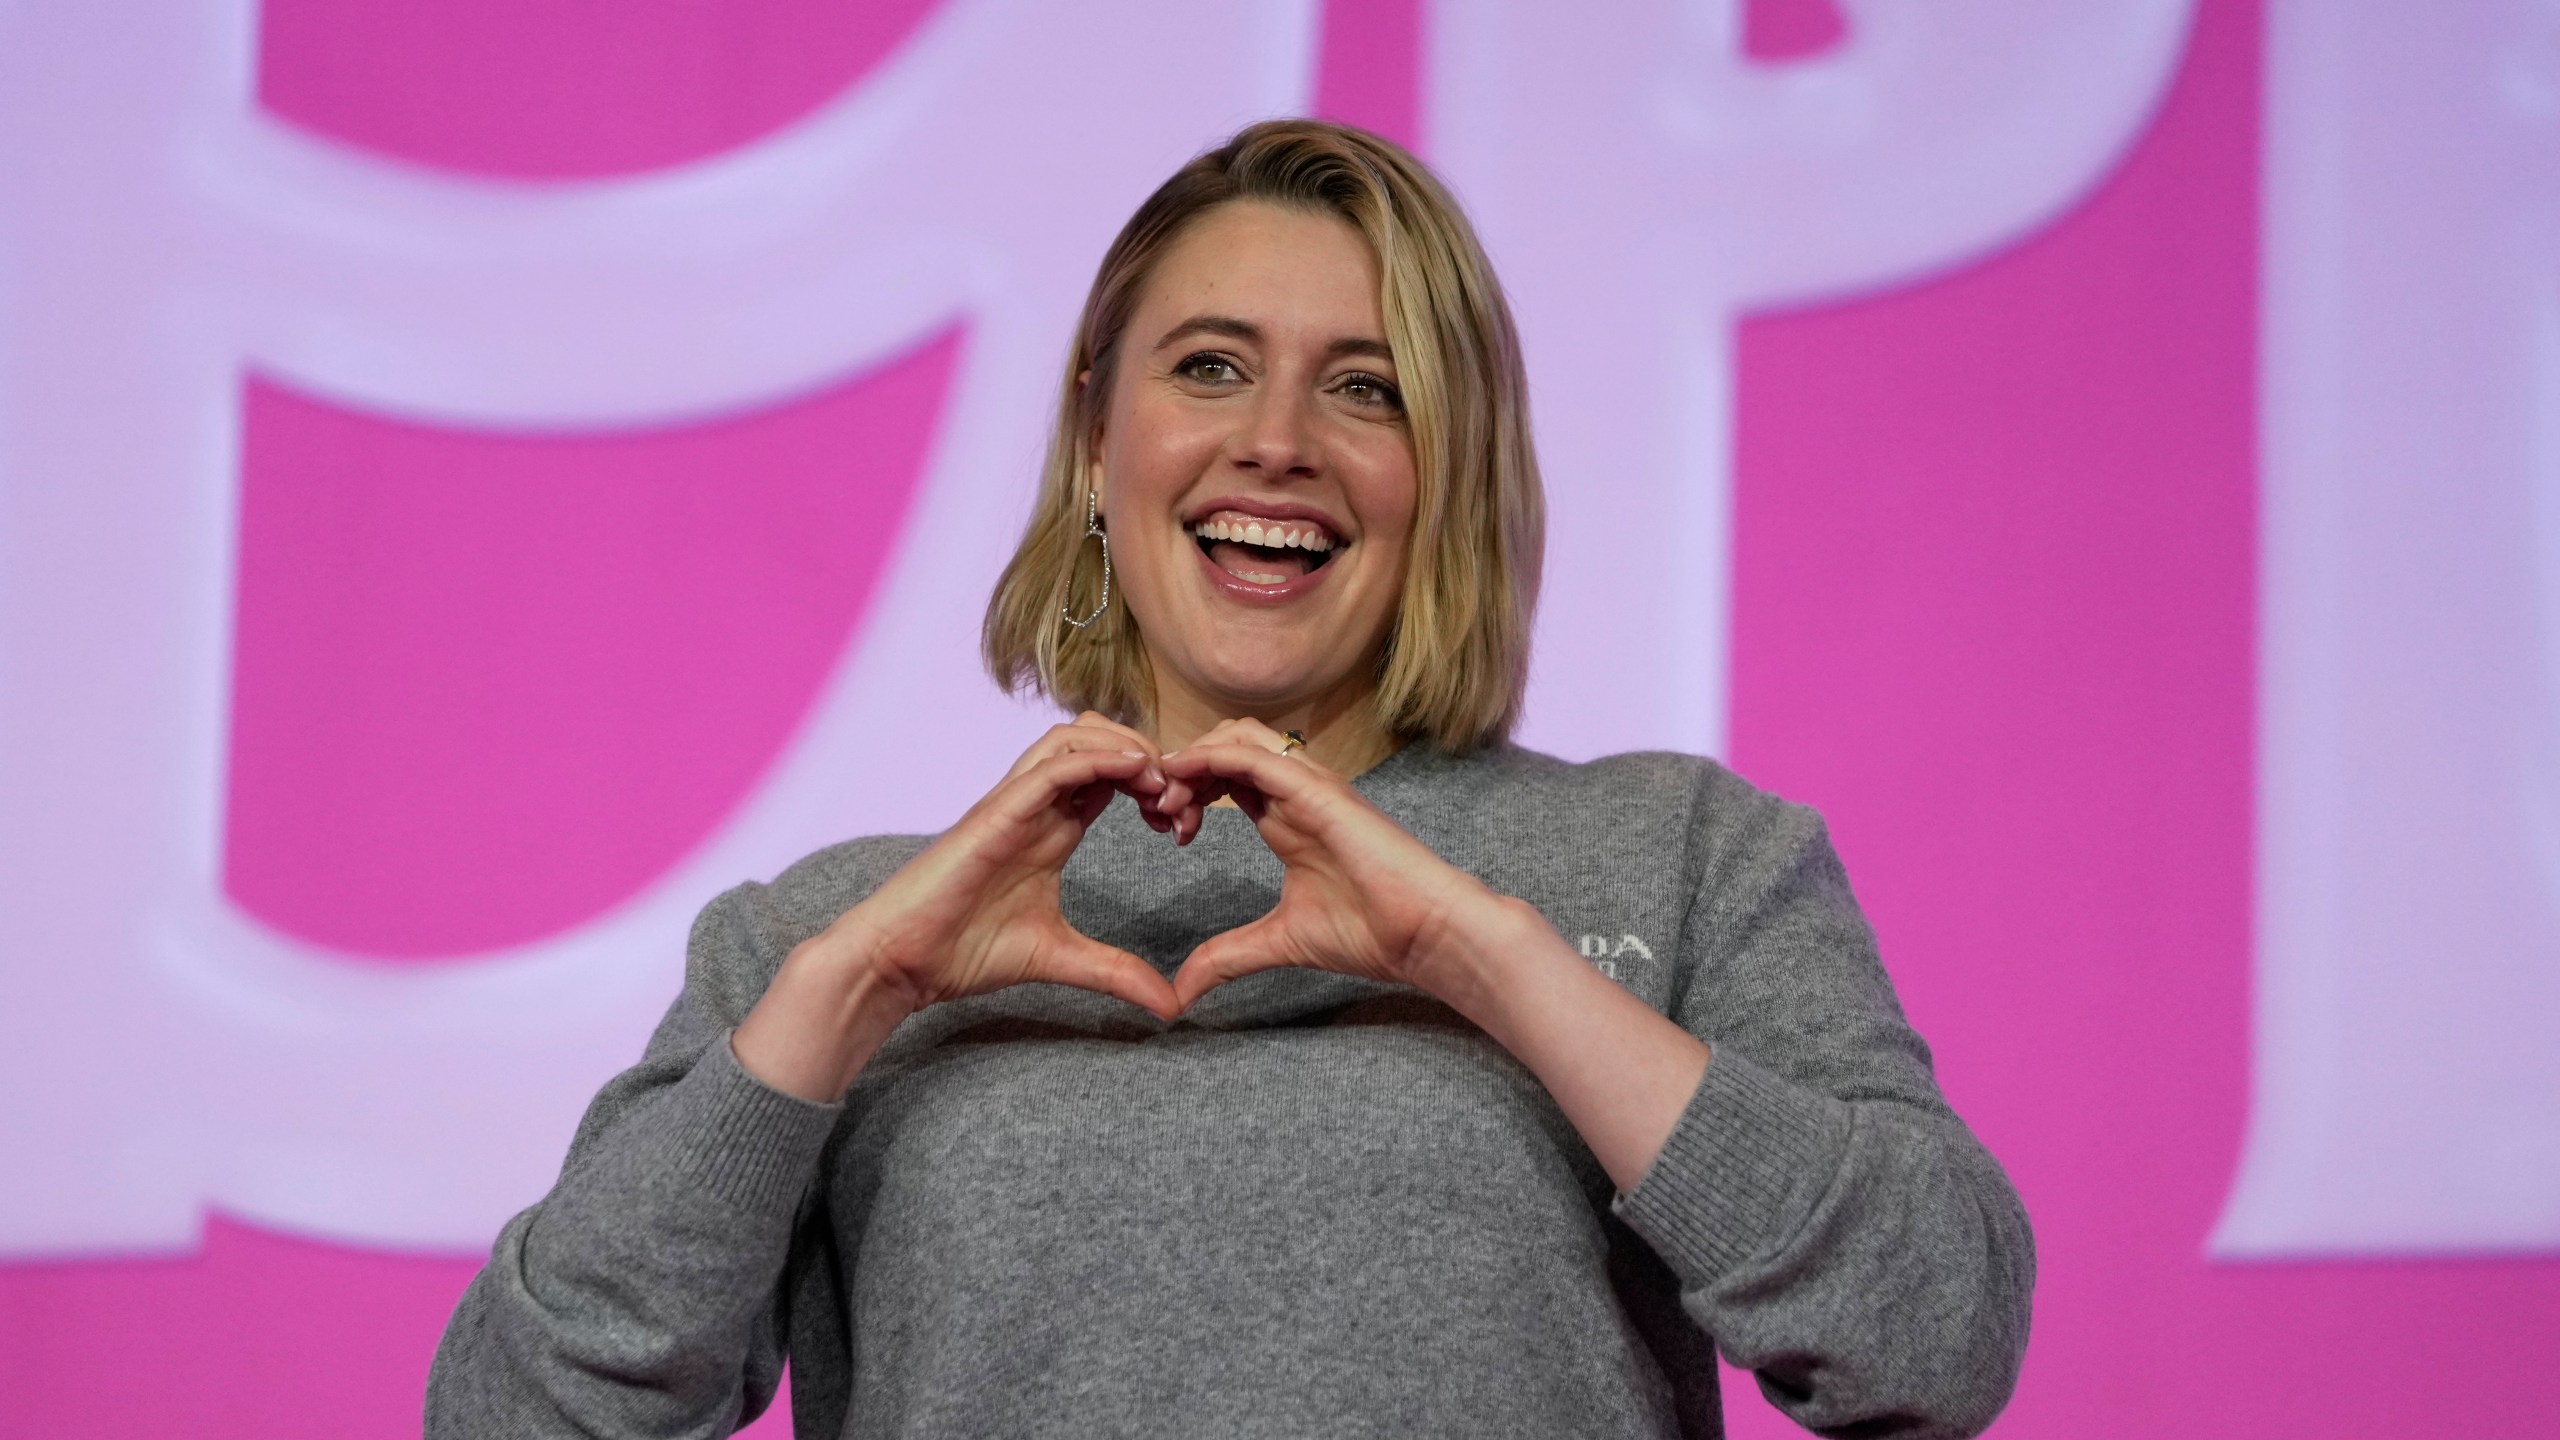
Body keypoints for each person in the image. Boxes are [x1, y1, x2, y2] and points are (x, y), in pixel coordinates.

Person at [427, 118, 2033, 1440]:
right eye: (1207, 366)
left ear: (1451, 471)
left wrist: (1486, 959)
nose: (1277, 440)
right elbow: (518, 1416)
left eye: (1368, 386)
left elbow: (1932, 1334)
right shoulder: (829, 931)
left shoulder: (1680, 856)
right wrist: (856, 994)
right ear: (1094, 441)